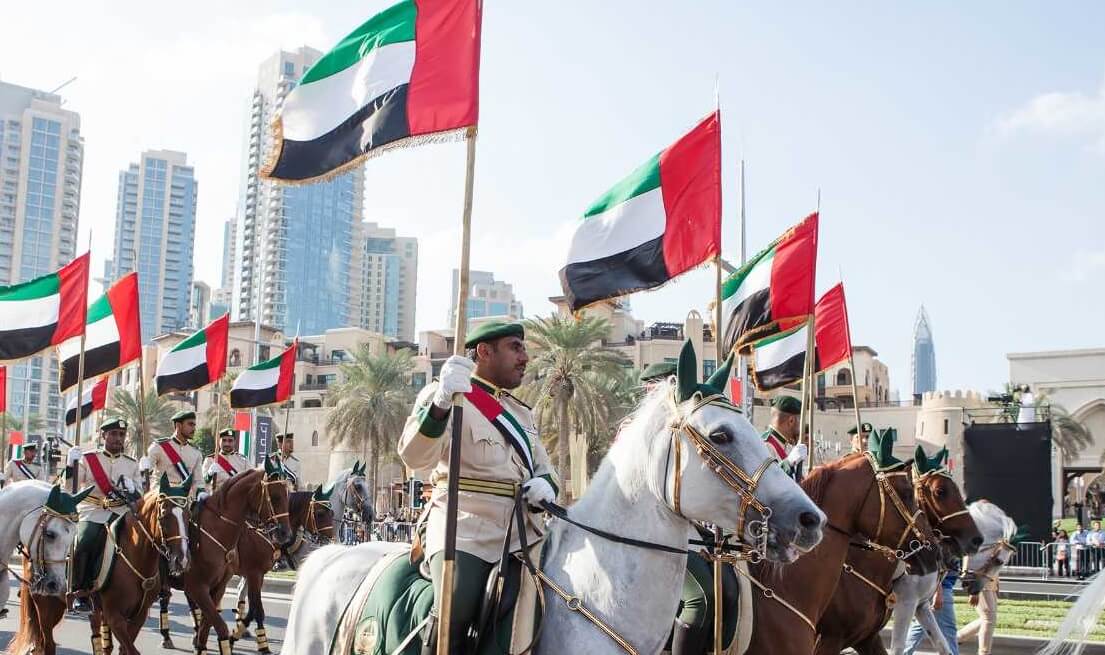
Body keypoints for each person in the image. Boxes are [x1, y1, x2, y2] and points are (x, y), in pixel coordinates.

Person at [398, 320, 558, 652]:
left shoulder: (521, 415)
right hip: (464, 526)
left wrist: (546, 484)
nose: (525, 357)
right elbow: (415, 457)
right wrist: (441, 402)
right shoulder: (448, 394)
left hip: (520, 534)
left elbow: (545, 468)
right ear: (484, 352)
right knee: (454, 608)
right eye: (516, 347)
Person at [67, 418, 142, 613]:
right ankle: (81, 592)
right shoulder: (88, 458)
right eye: (114, 434)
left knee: (147, 543)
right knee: (84, 541)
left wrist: (132, 488)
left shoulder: (131, 464)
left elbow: (140, 497)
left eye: (122, 435)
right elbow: (69, 488)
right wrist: (70, 465)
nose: (119, 438)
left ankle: (149, 587)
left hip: (120, 514)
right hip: (93, 512)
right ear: (104, 436)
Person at [903, 561, 961, 655]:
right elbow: (935, 562)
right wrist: (938, 591)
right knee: (948, 630)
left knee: (920, 626)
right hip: (941, 588)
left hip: (937, 587)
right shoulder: (944, 547)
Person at [147, 410, 205, 499]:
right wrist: (144, 467)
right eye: (190, 424)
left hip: (184, 499)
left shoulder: (196, 452)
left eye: (194, 425)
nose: (194, 429)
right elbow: (145, 473)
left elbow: (198, 481)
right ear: (178, 425)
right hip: (162, 497)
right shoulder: (159, 446)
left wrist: (201, 493)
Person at [957, 560, 1000, 655]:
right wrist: (974, 589)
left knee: (989, 619)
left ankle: (957, 638)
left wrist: (997, 583)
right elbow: (971, 562)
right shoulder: (978, 545)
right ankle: (984, 653)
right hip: (980, 581)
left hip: (990, 580)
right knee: (989, 619)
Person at [762, 395, 807, 479]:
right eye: (800, 421)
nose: (801, 427)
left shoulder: (788, 446)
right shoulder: (765, 445)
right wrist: (788, 463)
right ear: (791, 421)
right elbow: (766, 480)